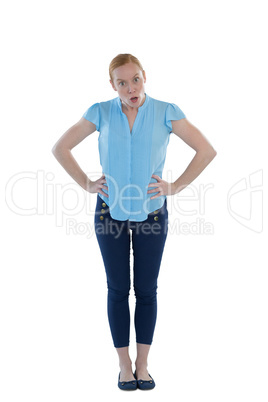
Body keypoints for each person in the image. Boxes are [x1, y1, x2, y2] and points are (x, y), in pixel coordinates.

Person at [52, 53, 217, 391]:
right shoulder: (100, 111)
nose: (130, 88)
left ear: (145, 77)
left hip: (152, 214)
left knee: (146, 290)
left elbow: (206, 150)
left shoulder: (166, 111)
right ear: (112, 85)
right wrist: (86, 183)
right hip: (108, 212)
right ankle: (124, 366)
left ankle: (144, 365)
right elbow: (61, 148)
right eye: (122, 82)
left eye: (135, 80)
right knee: (117, 290)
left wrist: (174, 187)